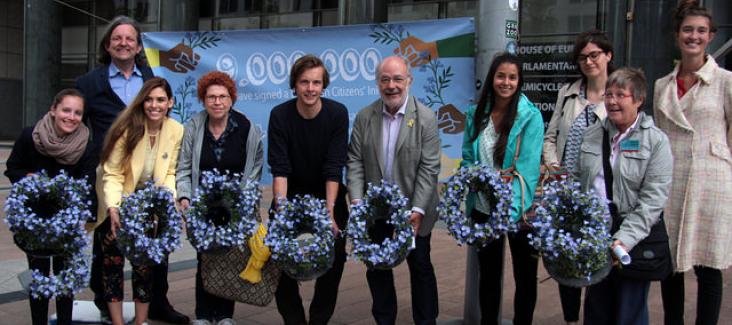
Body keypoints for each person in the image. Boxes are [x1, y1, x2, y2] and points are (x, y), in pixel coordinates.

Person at [76, 16, 188, 324]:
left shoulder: (150, 77)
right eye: (117, 38)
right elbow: (72, 123)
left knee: (155, 254)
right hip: (110, 181)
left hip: (150, 188)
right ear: (107, 44)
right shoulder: (89, 83)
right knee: (107, 250)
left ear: (138, 46)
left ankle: (158, 303)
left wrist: (166, 197)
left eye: (130, 39)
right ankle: (105, 302)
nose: (123, 43)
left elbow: (165, 142)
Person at [347, 55, 441, 325]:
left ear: (409, 80)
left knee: (420, 266)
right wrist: (356, 201)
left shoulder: (425, 118)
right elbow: (354, 161)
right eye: (385, 79)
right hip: (375, 210)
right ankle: (384, 319)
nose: (392, 85)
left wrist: (419, 209)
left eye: (398, 78)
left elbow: (429, 168)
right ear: (377, 82)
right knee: (377, 267)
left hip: (414, 208)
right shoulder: (365, 117)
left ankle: (426, 321)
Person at [654, 2, 732, 324]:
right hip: (672, 181)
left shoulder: (726, 81)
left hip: (711, 182)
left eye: (701, 30)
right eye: (688, 29)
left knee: (709, 266)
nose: (694, 36)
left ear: (711, 36)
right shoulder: (662, 85)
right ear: (677, 35)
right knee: (669, 266)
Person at [577, 68, 672, 325]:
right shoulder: (592, 134)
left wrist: (623, 241)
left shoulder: (656, 141)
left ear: (639, 100)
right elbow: (578, 183)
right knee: (596, 309)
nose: (612, 101)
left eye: (621, 95)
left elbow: (653, 201)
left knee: (628, 313)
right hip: (595, 237)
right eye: (609, 94)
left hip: (631, 241)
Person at [461, 53, 543, 325]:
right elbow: (468, 158)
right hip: (484, 207)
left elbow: (529, 170)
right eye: (500, 76)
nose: (505, 82)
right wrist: (469, 179)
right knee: (489, 275)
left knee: (525, 276)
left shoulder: (530, 116)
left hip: (518, 209)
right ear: (492, 78)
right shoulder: (476, 113)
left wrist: (510, 214)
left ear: (519, 81)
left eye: (512, 77)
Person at [176, 71, 264, 325]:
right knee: (205, 257)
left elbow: (254, 168)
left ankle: (225, 314)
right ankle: (203, 314)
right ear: (203, 99)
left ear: (231, 99)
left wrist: (244, 201)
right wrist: (184, 196)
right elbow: (184, 167)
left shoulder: (246, 127)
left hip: (234, 205)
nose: (217, 102)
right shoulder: (194, 126)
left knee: (231, 256)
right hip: (202, 205)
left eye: (222, 96)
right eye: (211, 97)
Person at [267, 54, 349, 325]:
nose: (310, 88)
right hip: (290, 198)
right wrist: (281, 212)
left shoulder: (337, 113)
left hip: (328, 196)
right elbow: (280, 169)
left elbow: (334, 167)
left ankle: (318, 320)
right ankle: (294, 320)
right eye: (304, 82)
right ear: (295, 84)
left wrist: (329, 213)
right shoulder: (280, 115)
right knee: (279, 260)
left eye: (316, 82)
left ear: (324, 84)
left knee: (333, 261)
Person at [96, 77, 184, 325]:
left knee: (144, 267)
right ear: (141, 102)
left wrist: (165, 203)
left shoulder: (176, 130)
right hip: (116, 201)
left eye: (160, 100)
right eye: (149, 99)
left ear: (170, 103)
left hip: (150, 206)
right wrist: (114, 208)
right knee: (112, 265)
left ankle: (140, 322)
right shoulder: (126, 127)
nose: (154, 105)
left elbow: (170, 172)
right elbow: (113, 173)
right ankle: (117, 322)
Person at [5, 89, 96, 325]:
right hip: (36, 220)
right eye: (66, 110)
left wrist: (82, 215)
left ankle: (65, 321)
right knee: (39, 275)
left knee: (66, 277)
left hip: (67, 223)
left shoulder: (85, 145)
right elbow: (12, 168)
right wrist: (28, 177)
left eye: (78, 113)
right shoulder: (30, 136)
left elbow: (87, 184)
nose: (71, 117)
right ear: (53, 110)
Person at [542, 30, 613, 325]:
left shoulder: (618, 94)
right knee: (565, 259)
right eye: (582, 57)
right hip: (565, 190)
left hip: (599, 193)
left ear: (608, 55)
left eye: (594, 54)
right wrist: (553, 166)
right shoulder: (567, 93)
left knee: (598, 261)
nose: (588, 61)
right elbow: (550, 136)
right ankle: (571, 320)